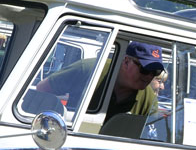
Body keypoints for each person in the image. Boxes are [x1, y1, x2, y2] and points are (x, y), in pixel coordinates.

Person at [33, 41, 164, 120]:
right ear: (126, 61)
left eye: (155, 72)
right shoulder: (88, 69)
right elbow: (42, 89)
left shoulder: (149, 100)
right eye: (145, 69)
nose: (149, 76)